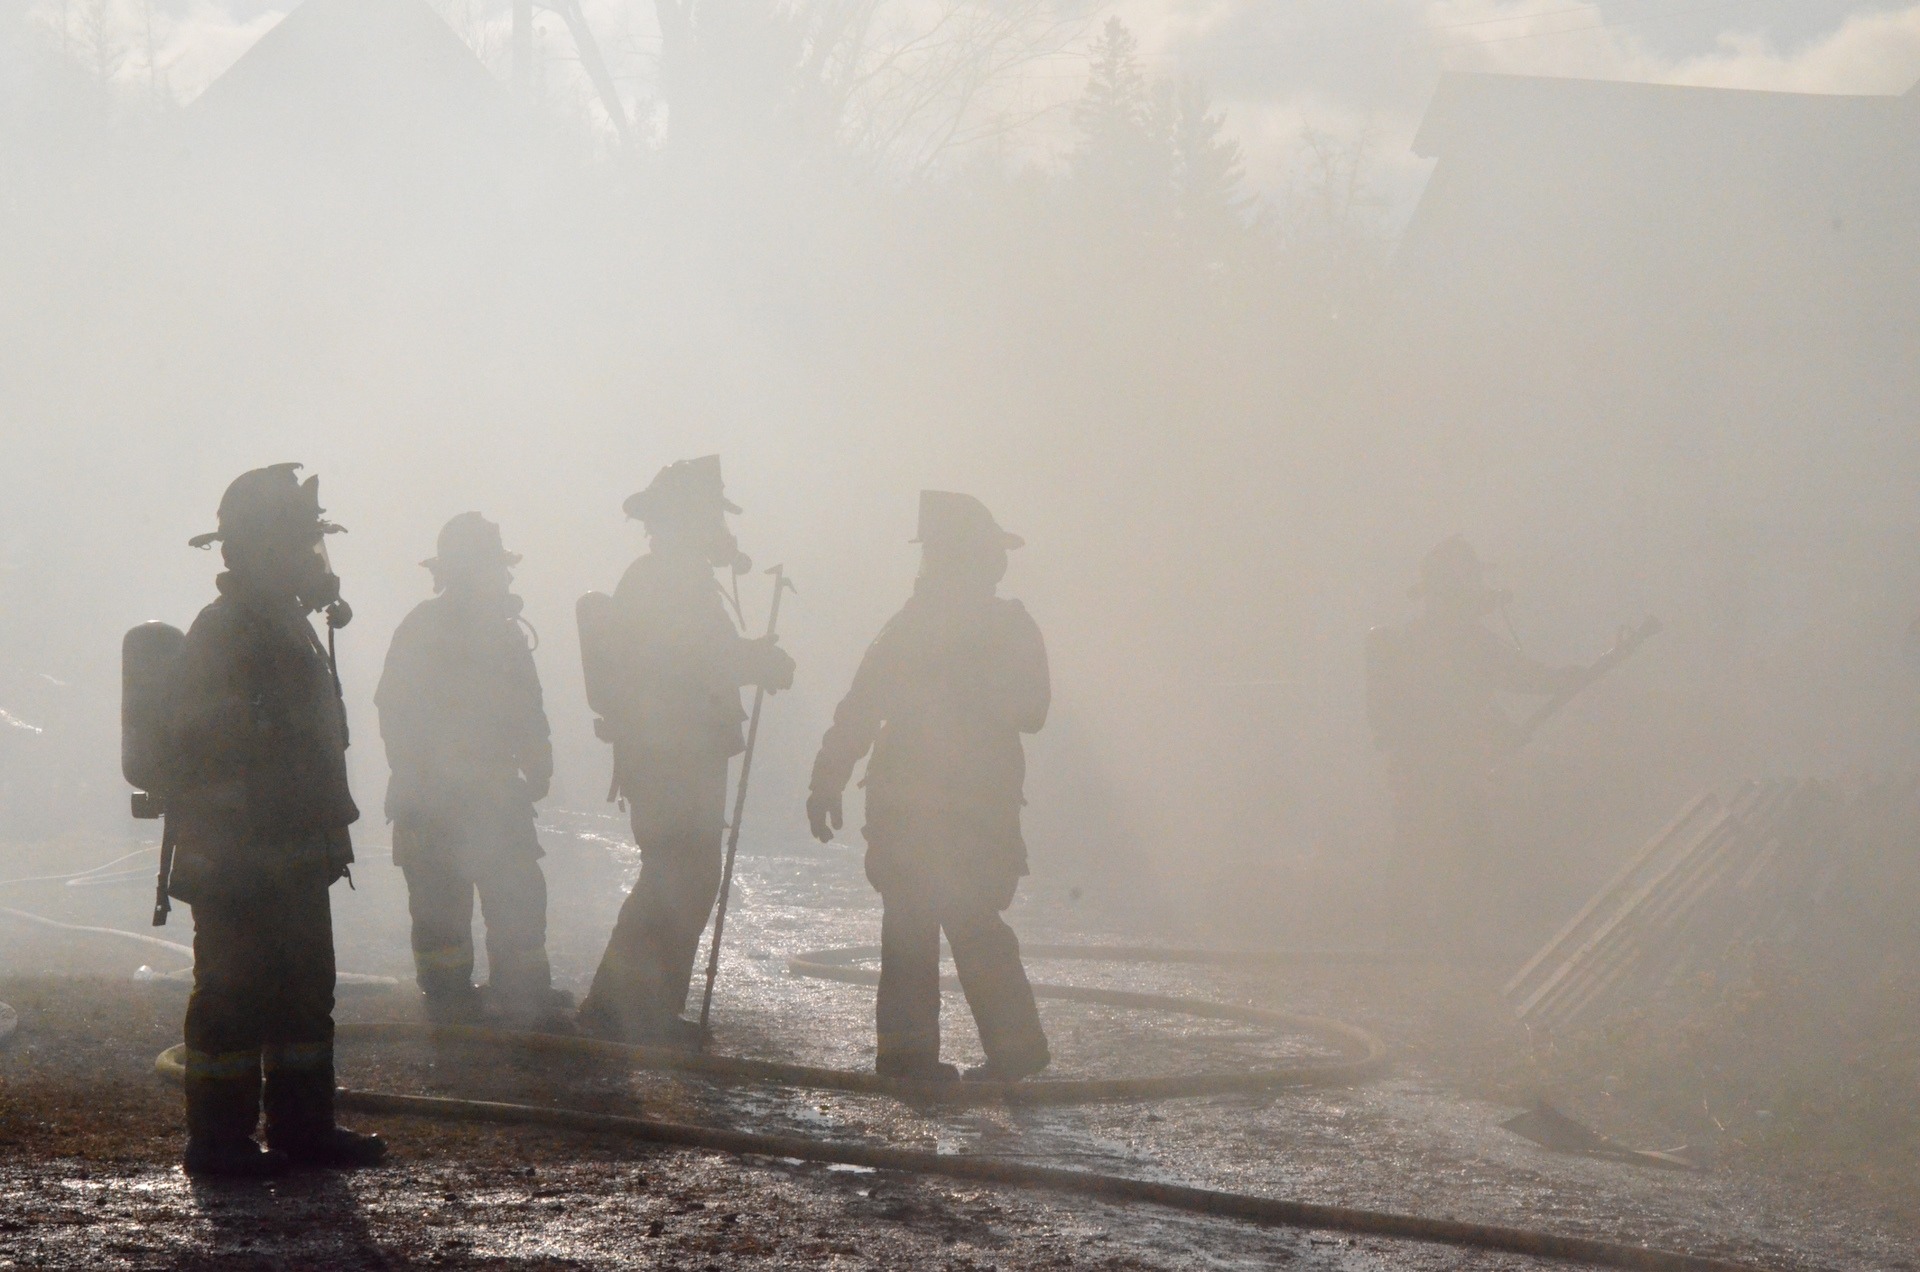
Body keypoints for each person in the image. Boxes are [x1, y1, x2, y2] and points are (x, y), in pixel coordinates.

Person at [166, 463, 385, 1176]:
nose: (312, 560)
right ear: (259, 549)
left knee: (302, 994)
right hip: (239, 855)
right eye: (298, 544)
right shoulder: (226, 630)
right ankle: (220, 1143)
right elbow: (208, 743)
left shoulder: (284, 624)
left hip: (292, 848)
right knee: (233, 997)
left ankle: (303, 1130)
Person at [806, 491, 1051, 1083]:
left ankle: (923, 1056)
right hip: (948, 809)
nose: (999, 564)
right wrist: (826, 779)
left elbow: (1031, 710)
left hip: (935, 808)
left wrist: (827, 781)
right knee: (944, 923)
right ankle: (936, 1055)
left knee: (936, 923)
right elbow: (862, 708)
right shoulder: (956, 626)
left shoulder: (921, 627)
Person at [576, 456, 794, 1047]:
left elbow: (701, 655)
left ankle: (635, 1010)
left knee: (683, 874)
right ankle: (622, 1011)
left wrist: (750, 658)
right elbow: (691, 660)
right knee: (679, 873)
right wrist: (757, 661)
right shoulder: (666, 580)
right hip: (671, 754)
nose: (720, 530)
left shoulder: (674, 578)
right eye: (711, 517)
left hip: (677, 753)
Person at [375, 512, 567, 1029]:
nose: (500, 578)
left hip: (491, 793)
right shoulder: (425, 627)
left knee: (517, 895)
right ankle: (448, 998)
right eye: (489, 567)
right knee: (442, 907)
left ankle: (520, 993)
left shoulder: (500, 633)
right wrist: (424, 772)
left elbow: (527, 705)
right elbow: (394, 708)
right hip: (439, 797)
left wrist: (538, 757)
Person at [1365, 536, 1582, 956]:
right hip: (1442, 760)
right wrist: (1561, 680)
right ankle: (1430, 933)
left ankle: (1420, 933)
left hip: (1438, 760)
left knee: (1433, 839)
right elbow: (1522, 677)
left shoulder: (1436, 639)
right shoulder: (1457, 641)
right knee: (1455, 840)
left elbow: (1519, 677)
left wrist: (1559, 680)